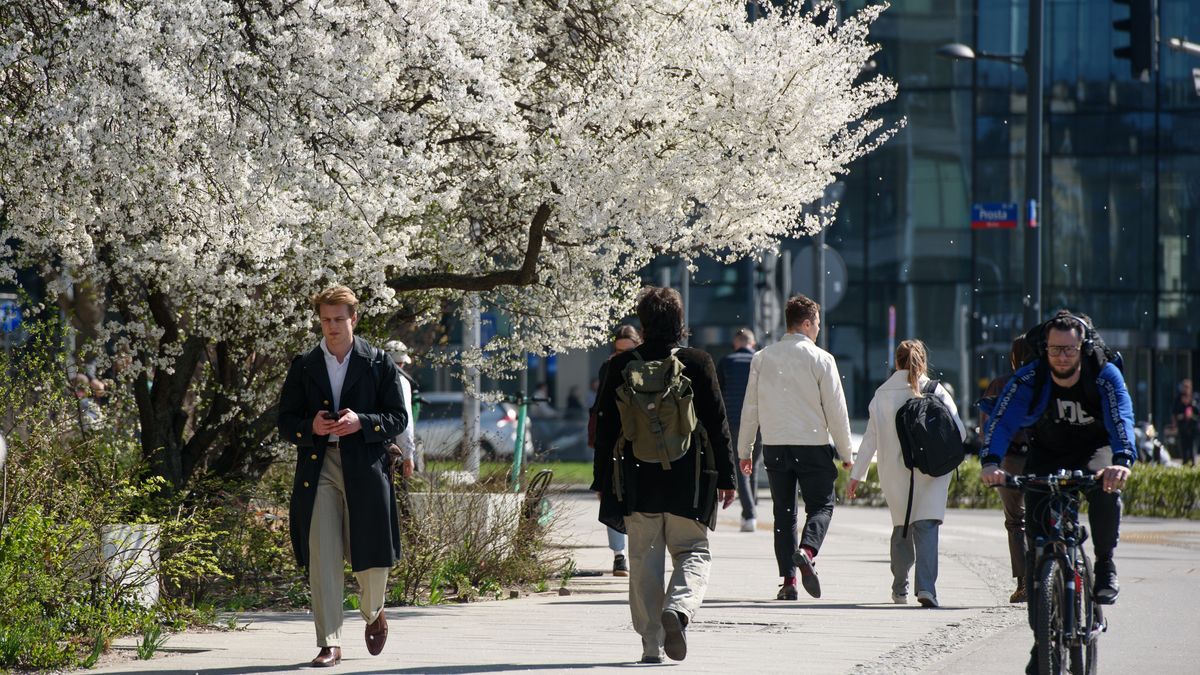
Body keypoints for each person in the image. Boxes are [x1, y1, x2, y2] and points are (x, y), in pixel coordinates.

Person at [979, 311, 1135, 669]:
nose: (1062, 356)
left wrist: (1123, 460)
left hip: (1096, 449)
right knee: (1037, 550)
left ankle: (1105, 564)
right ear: (1044, 349)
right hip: (1047, 452)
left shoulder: (1103, 374)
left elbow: (1121, 416)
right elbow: (1002, 419)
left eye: (1069, 349)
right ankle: (1041, 640)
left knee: (1105, 490)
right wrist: (991, 461)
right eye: (1054, 349)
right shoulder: (1031, 376)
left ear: (1082, 347)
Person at [591, 287, 737, 664]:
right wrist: (727, 478)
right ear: (679, 322)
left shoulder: (620, 367)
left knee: (643, 562)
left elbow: (605, 427)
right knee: (693, 551)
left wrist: (603, 481)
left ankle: (651, 646)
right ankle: (680, 608)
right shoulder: (699, 361)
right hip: (689, 481)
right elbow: (718, 423)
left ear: (643, 322)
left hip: (638, 481)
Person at [278, 286, 408, 667]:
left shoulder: (378, 362)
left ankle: (374, 611)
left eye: (338, 319)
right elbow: (285, 422)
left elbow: (397, 418)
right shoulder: (304, 365)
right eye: (325, 319)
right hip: (319, 468)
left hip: (365, 468)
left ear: (354, 318)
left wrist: (361, 422)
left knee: (372, 559)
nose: (331, 327)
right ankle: (329, 641)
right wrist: (311, 426)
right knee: (323, 554)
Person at [737, 294, 854, 601]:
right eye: (816, 323)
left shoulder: (762, 357)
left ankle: (788, 581)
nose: (818, 329)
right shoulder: (822, 359)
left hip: (775, 445)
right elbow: (836, 410)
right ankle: (808, 550)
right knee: (822, 505)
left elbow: (751, 407)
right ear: (806, 323)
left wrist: (745, 450)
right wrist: (846, 453)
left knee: (784, 514)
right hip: (812, 444)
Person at [847, 340, 966, 608]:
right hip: (933, 470)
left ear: (897, 362)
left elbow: (870, 439)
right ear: (923, 361)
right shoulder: (936, 390)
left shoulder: (881, 394)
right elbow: (960, 432)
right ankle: (926, 588)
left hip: (895, 471)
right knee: (927, 526)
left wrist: (857, 475)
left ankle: (899, 588)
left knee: (902, 528)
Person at [978, 335, 1037, 603]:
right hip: (1040, 457)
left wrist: (990, 460)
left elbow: (987, 428)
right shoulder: (1047, 383)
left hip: (1010, 459)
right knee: (1044, 514)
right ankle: (1048, 573)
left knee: (1016, 521)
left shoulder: (1000, 384)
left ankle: (1024, 583)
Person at [590, 324, 643, 577]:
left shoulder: (645, 366)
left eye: (628, 351)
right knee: (612, 495)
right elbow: (600, 407)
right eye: (618, 351)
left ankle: (637, 552)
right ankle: (619, 555)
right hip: (612, 441)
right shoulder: (608, 367)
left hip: (639, 440)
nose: (622, 356)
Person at [717, 327, 761, 532]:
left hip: (735, 420)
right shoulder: (761, 361)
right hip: (760, 421)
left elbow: (717, 392)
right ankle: (750, 510)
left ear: (735, 344)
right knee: (753, 465)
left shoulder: (726, 362)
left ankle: (750, 513)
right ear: (753, 344)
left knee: (741, 466)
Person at [383, 340, 419, 478]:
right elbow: (405, 422)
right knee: (399, 495)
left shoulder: (372, 378)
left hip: (369, 449)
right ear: (402, 363)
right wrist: (408, 455)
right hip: (393, 451)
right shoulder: (401, 382)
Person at [1171, 378, 1199, 466]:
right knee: (1183, 449)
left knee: (1192, 449)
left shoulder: (1195, 398)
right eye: (1184, 387)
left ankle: (1193, 464)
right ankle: (1185, 464)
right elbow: (1174, 413)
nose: (1185, 389)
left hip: (1193, 428)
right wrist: (1174, 425)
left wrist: (1191, 403)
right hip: (1182, 427)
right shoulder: (1178, 399)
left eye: (1187, 387)